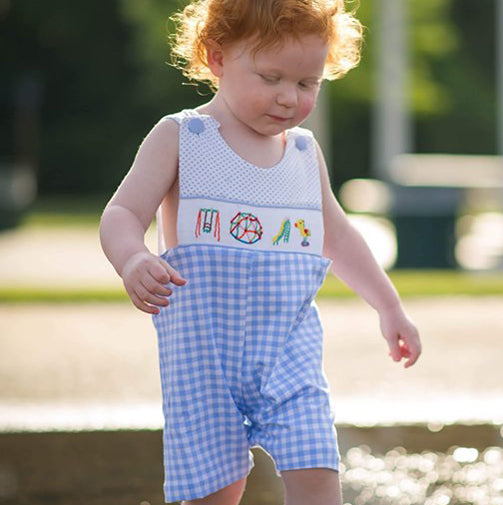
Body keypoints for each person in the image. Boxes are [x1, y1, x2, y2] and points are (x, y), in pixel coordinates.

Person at [99, 0, 422, 504]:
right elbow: (121, 214)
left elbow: (337, 236)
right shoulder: (182, 137)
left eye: (306, 83)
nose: (288, 98)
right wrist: (133, 258)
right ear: (217, 57)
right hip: (204, 355)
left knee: (316, 464)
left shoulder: (302, 153)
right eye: (271, 77)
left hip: (288, 353)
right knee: (215, 489)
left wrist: (389, 306)